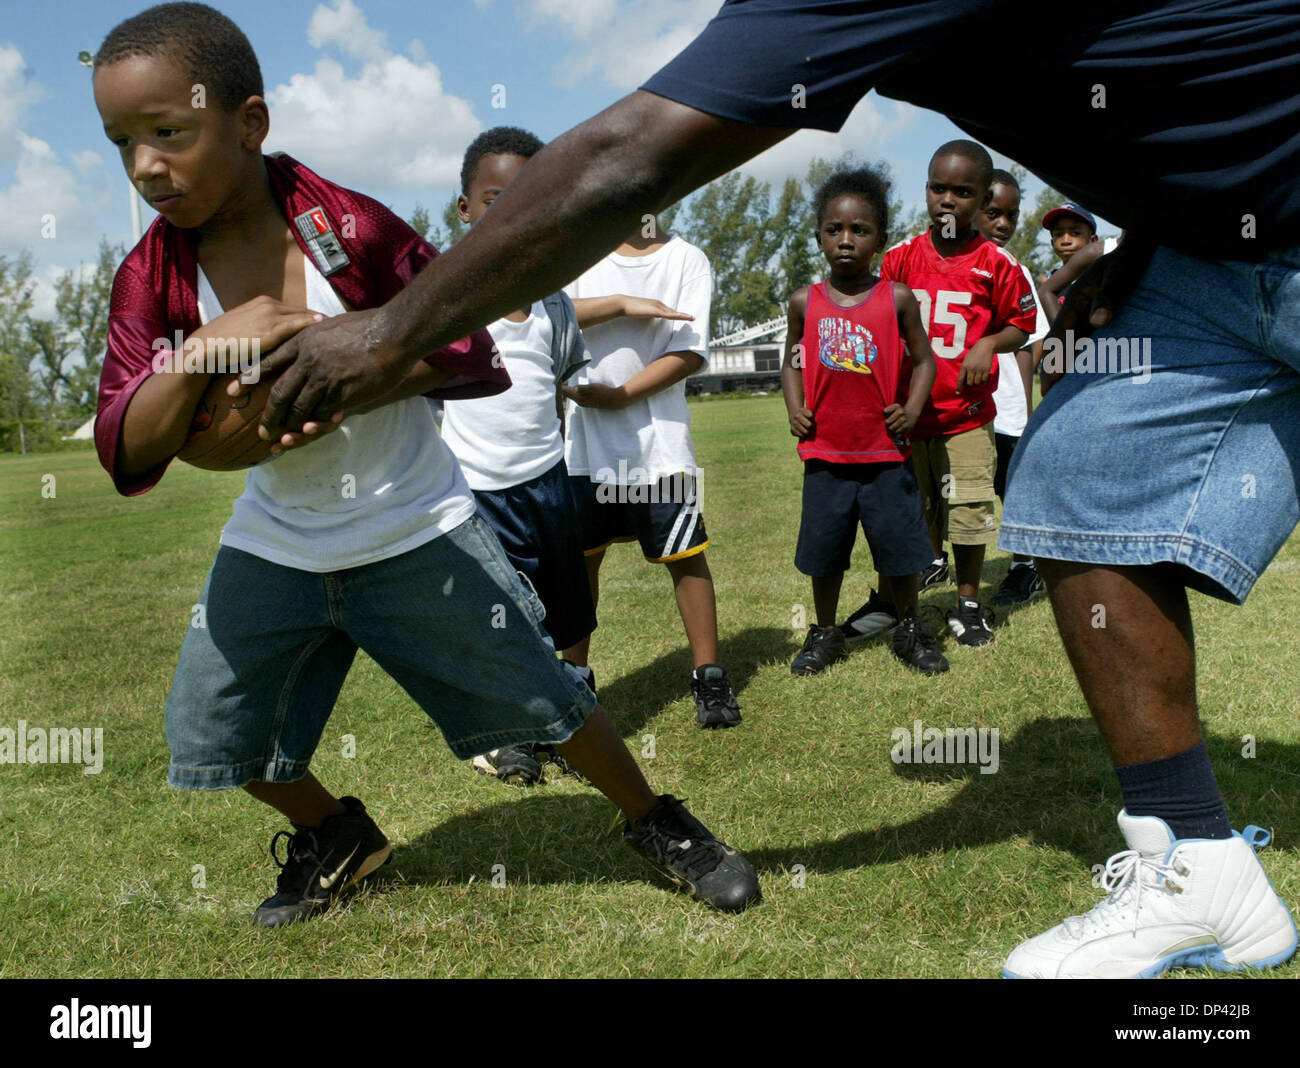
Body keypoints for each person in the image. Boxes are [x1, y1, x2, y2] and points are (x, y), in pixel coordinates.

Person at [253, 0, 1300, 979]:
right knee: (1081, 484)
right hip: (1213, 256)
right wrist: (1158, 232)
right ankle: (1200, 866)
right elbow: (1176, 82)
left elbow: (628, 155)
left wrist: (391, 328)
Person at [91, 2, 760, 925]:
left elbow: (468, 353)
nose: (145, 166)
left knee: (547, 700)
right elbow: (124, 444)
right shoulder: (152, 275)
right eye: (121, 141)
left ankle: (657, 819)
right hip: (278, 540)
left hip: (413, 526)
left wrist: (338, 379)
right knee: (213, 732)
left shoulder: (349, 228)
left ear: (249, 122)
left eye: (168, 132)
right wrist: (207, 347)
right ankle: (338, 835)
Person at [438, 126, 597, 787]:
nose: (509, 211)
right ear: (465, 209)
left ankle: (575, 702)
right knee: (499, 612)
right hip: (476, 492)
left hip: (548, 481)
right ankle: (507, 733)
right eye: (493, 197)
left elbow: (564, 375)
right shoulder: (445, 297)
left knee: (569, 606)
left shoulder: (555, 302)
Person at [847, 141, 1034, 647]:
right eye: (938, 188)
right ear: (926, 189)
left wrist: (990, 342)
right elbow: (875, 327)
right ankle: (894, 602)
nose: (948, 200)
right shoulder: (901, 258)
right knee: (905, 512)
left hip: (966, 415)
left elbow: (1023, 324)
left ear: (982, 198)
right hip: (907, 416)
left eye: (963, 191)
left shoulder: (998, 263)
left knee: (969, 510)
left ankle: (968, 604)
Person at [561, 219, 743, 728]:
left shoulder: (687, 259)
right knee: (579, 567)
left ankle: (709, 675)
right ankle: (574, 681)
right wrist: (619, 302)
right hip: (584, 448)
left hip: (660, 446)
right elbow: (546, 319)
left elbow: (689, 351)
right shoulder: (578, 254)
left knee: (686, 558)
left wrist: (620, 396)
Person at [782, 165, 945, 676]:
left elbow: (925, 360)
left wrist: (913, 408)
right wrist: (794, 406)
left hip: (885, 454)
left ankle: (910, 629)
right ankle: (825, 632)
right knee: (825, 551)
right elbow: (791, 361)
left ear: (880, 239)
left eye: (859, 230)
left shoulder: (897, 299)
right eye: (834, 230)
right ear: (819, 238)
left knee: (899, 550)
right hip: (826, 453)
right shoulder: (803, 302)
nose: (846, 240)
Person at [975, 170, 1049, 606]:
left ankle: (1026, 566)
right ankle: (931, 564)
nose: (1003, 223)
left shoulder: (1014, 269)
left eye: (1011, 215)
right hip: (955, 405)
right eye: (993, 213)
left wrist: (1023, 401)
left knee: (1011, 487)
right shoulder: (946, 264)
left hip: (1004, 406)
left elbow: (1033, 336)